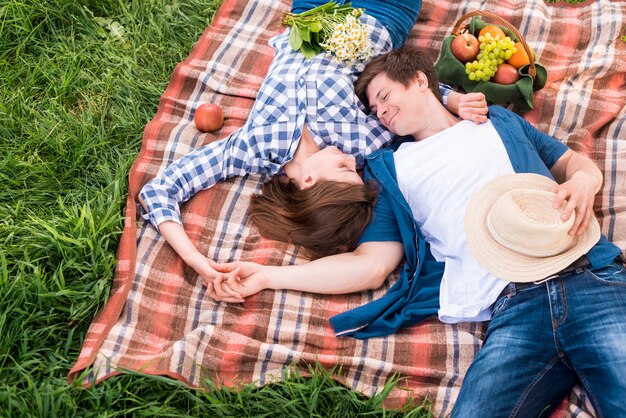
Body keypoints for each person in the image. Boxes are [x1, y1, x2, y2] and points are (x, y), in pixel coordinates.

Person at [211, 46, 626, 417]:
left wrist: (584, 184)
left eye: (386, 96)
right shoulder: (387, 170)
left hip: (587, 275)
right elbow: (371, 265)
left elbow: (573, 163)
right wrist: (267, 276)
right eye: (374, 110)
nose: (381, 112)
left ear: (421, 81)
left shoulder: (497, 120)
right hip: (512, 307)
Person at [138, 0, 488, 297]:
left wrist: (201, 265)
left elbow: (159, 192)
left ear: (308, 182)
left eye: (343, 170)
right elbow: (401, 97)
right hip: (382, 12)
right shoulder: (366, 143)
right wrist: (451, 98)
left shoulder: (253, 148)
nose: (350, 161)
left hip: (312, 10)